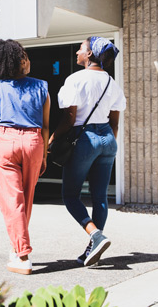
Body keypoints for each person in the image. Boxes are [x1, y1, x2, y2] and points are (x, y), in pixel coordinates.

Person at [49, 36, 126, 267]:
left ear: (90, 54)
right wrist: (107, 145)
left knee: (70, 195)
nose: (77, 53)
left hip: (85, 139)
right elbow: (115, 122)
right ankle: (94, 250)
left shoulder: (75, 79)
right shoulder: (113, 83)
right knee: (100, 197)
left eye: (81, 49)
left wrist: (52, 140)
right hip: (108, 139)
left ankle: (96, 236)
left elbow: (70, 118)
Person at [0, 39, 50, 275]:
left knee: (12, 202)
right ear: (16, 63)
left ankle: (23, 255)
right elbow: (46, 125)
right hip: (34, 142)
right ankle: (17, 247)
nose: (28, 61)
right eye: (24, 58)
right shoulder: (42, 87)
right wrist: (43, 156)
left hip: (6, 142)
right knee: (25, 200)